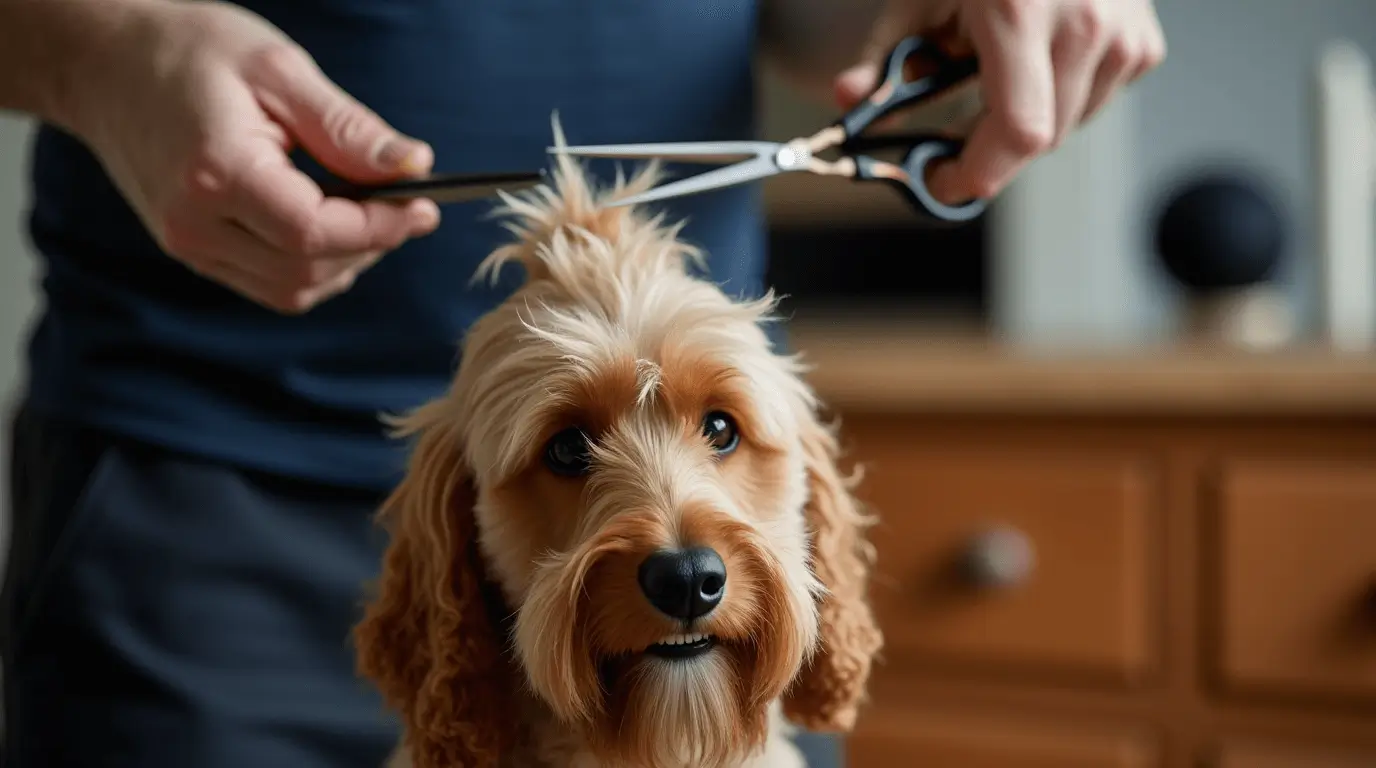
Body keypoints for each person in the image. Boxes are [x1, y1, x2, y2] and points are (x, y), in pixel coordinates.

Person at [0, 0, 1164, 765]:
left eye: (720, 430)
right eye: (572, 450)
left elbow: (825, 24)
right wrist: (106, 47)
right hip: (193, 496)